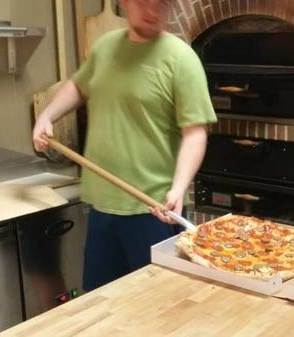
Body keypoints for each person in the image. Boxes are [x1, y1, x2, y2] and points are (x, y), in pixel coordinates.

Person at [32, 0, 217, 291]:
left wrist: (179, 187)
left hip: (153, 210)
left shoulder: (182, 59)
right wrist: (47, 114)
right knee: (99, 305)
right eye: (144, 2)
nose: (153, 11)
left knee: (155, 310)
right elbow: (79, 85)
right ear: (125, 2)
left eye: (162, 3)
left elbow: (195, 134)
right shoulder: (105, 48)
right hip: (102, 205)